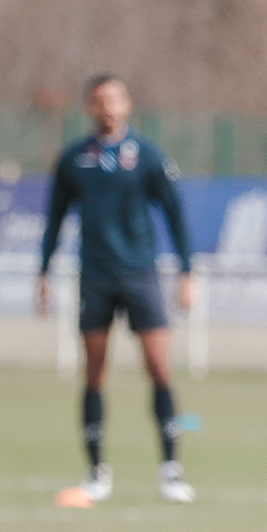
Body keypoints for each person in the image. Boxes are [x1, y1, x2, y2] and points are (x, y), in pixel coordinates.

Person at [37, 74, 196, 503]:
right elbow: (54, 220)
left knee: (159, 368)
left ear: (127, 105)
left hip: (141, 276)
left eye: (115, 100)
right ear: (89, 106)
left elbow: (175, 213)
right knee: (94, 372)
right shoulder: (73, 160)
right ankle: (96, 472)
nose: (107, 108)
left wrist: (186, 273)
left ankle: (170, 469)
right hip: (96, 277)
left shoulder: (147, 156)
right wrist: (43, 272)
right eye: (99, 101)